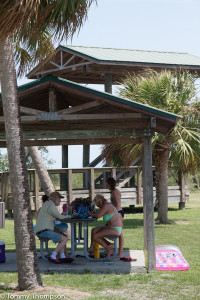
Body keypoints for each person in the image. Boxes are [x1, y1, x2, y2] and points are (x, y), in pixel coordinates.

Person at [35, 191, 72, 264]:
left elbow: (57, 216)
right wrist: (71, 216)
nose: (60, 200)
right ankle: (53, 255)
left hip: (43, 230)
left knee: (63, 237)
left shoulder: (48, 204)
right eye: (59, 198)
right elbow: (59, 216)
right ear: (55, 198)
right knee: (64, 239)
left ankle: (62, 256)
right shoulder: (50, 205)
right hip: (44, 231)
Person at [88, 194, 122, 259]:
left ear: (100, 202)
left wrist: (91, 214)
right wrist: (95, 213)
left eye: (98, 205)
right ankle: (92, 248)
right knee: (94, 230)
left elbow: (98, 216)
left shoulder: (106, 206)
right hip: (110, 227)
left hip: (115, 229)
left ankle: (108, 249)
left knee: (95, 236)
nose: (98, 206)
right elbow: (99, 213)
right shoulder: (106, 205)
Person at [106, 177, 124, 258]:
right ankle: (111, 248)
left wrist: (109, 208)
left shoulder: (114, 192)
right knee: (116, 231)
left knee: (119, 233)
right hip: (118, 212)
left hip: (118, 213)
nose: (106, 186)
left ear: (110, 184)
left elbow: (116, 204)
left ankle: (120, 252)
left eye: (107, 184)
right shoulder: (115, 191)